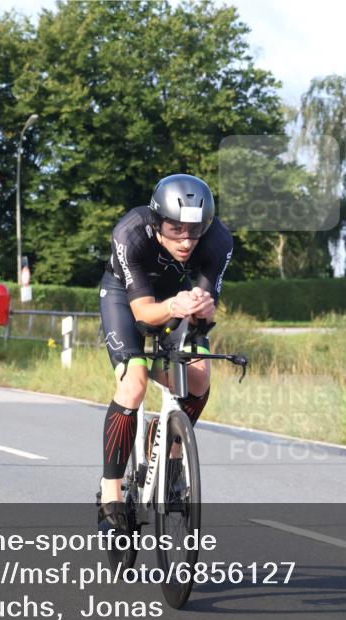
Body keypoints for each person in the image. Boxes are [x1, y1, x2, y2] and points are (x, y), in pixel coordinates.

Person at [97, 174, 233, 532]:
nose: (187, 240)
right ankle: (110, 491)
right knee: (134, 383)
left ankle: (170, 446)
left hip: (177, 298)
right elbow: (143, 313)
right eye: (175, 230)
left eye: (195, 230)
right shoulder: (130, 233)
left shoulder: (218, 240)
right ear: (158, 222)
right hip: (125, 299)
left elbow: (207, 307)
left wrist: (204, 308)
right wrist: (175, 304)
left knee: (199, 377)